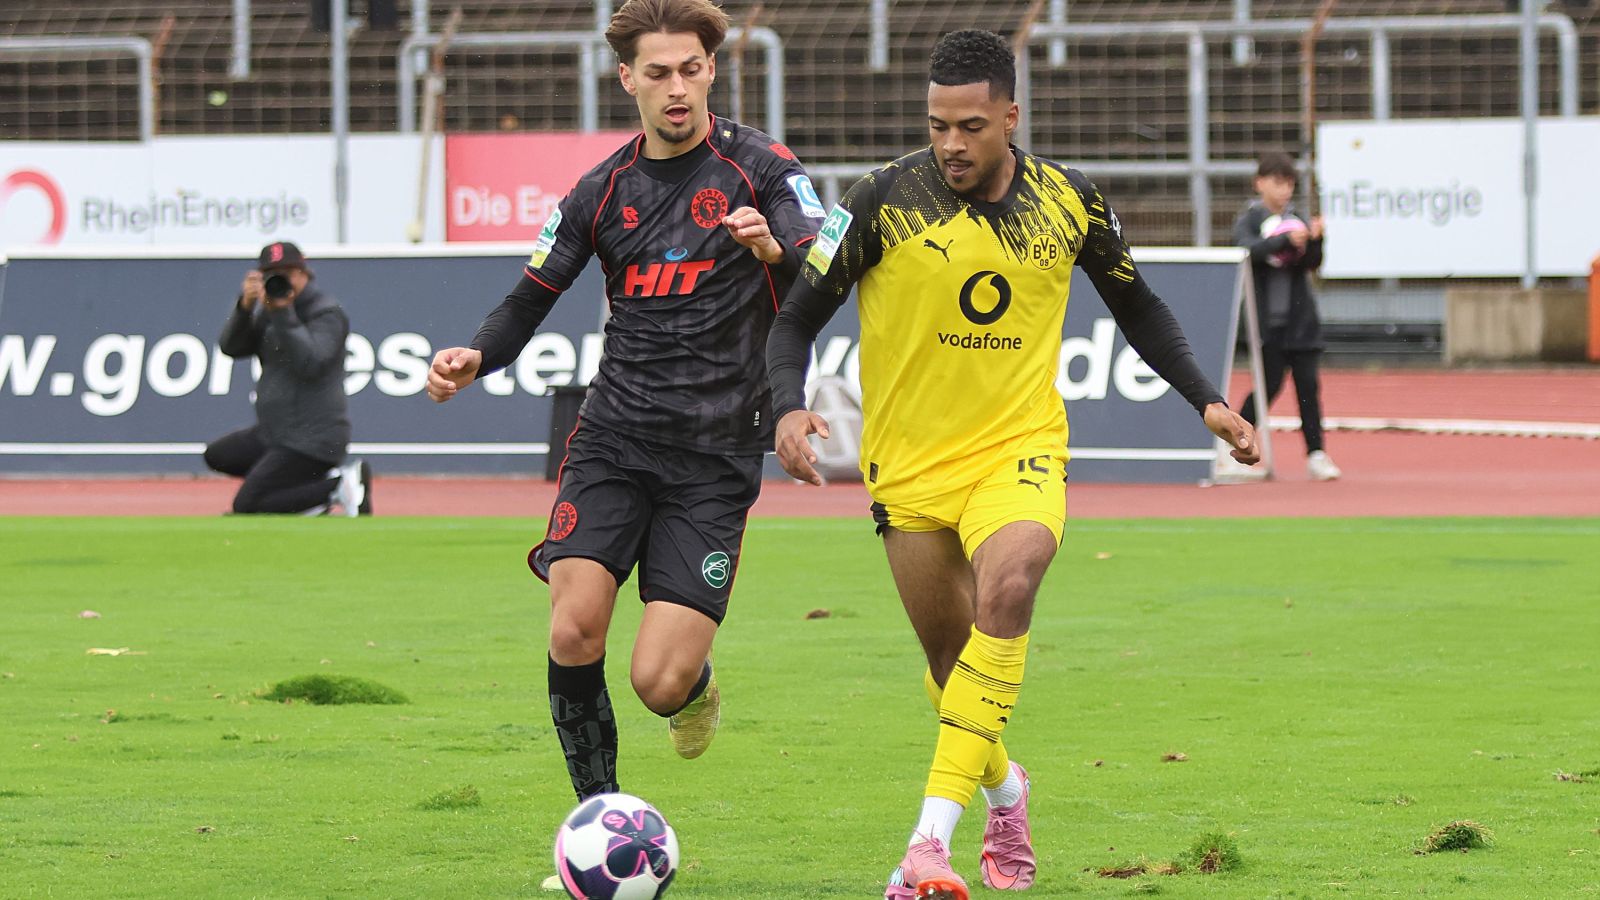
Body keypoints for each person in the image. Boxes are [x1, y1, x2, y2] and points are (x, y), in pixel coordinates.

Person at [765, 30, 1260, 899]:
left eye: (969, 126)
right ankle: (1006, 790)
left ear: (1010, 117)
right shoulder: (879, 199)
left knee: (1012, 584)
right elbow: (796, 318)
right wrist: (786, 405)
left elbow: (1139, 308)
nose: (950, 144)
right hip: (910, 469)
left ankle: (926, 846)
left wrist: (1207, 401)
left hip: (1019, 450)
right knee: (953, 672)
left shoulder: (1070, 201)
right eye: (936, 126)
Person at [423, 0, 822, 879]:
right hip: (613, 438)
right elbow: (530, 297)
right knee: (574, 629)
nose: (676, 87)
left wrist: (773, 251)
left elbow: (824, 265)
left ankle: (696, 688)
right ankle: (595, 829)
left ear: (711, 72)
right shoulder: (599, 191)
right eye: (658, 72)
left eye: (690, 70)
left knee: (657, 684)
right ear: (627, 79)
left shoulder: (764, 168)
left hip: (715, 456)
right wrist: (476, 354)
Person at [204, 241, 369, 516]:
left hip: (313, 438)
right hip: (275, 432)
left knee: (247, 504)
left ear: (304, 273)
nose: (280, 280)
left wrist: (283, 311)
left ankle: (338, 486)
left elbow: (312, 363)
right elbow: (232, 347)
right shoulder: (267, 310)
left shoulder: (326, 312)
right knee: (218, 455)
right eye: (271, 274)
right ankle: (306, 495)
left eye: (287, 273)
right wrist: (244, 308)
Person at [1233, 152, 1341, 481]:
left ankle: (1316, 454)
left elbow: (1311, 263)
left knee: (1308, 388)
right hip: (1267, 326)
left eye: (1289, 184)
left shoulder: (1297, 218)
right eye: (1278, 183)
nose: (1284, 191)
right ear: (1260, 183)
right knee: (1267, 388)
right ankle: (1234, 442)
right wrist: (1282, 240)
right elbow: (1246, 250)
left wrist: (1316, 240)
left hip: (1301, 325)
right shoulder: (1250, 220)